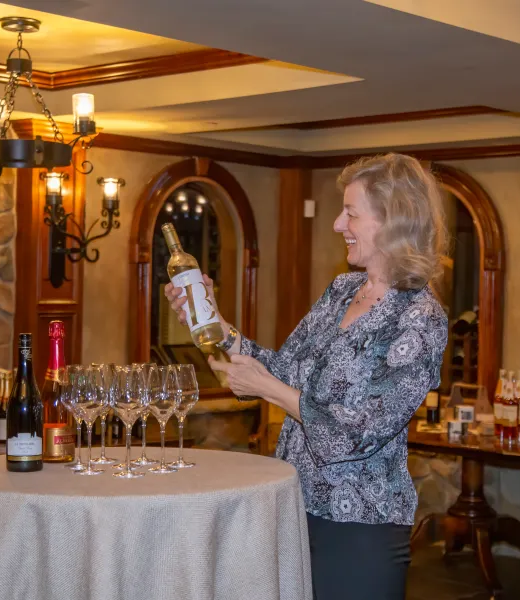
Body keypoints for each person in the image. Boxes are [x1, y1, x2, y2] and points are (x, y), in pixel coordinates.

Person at [164, 153, 448, 600]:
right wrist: (211, 321)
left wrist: (267, 390)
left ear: (392, 223)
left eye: (351, 213)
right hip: (295, 505)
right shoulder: (341, 291)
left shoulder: (419, 319)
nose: (338, 224)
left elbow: (354, 437)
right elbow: (283, 370)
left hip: (360, 528)